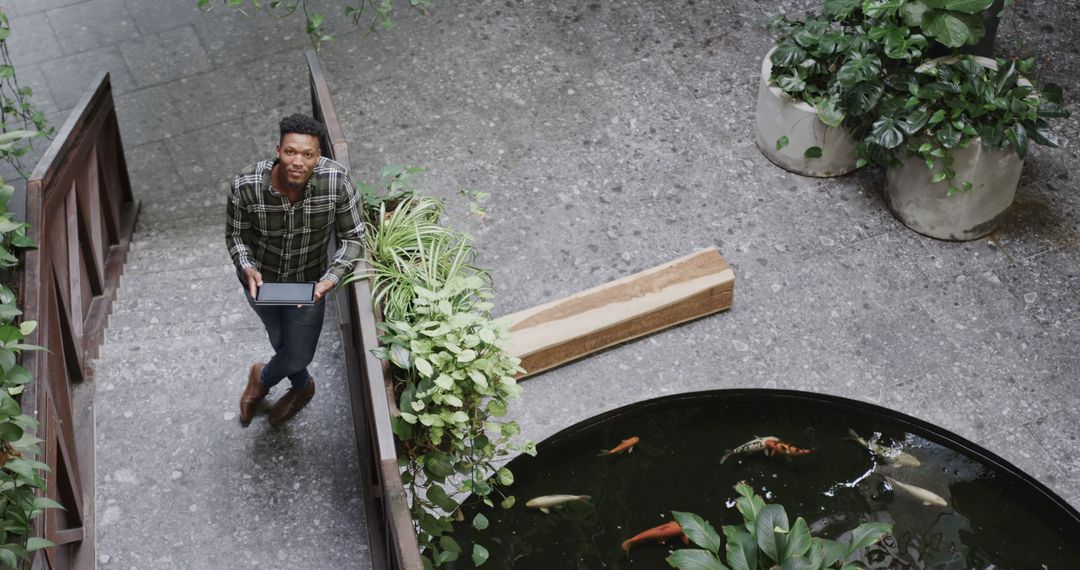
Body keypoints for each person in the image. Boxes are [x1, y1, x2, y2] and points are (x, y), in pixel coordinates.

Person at [226, 113, 364, 426]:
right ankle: (302, 386)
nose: (297, 161)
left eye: (308, 154)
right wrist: (245, 264)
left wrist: (330, 280)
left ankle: (263, 378)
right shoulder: (246, 185)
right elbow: (236, 235)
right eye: (290, 152)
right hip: (261, 283)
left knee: (299, 353)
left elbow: (355, 237)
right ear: (278, 151)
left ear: (319, 157)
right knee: (280, 340)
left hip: (308, 284)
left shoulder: (337, 182)